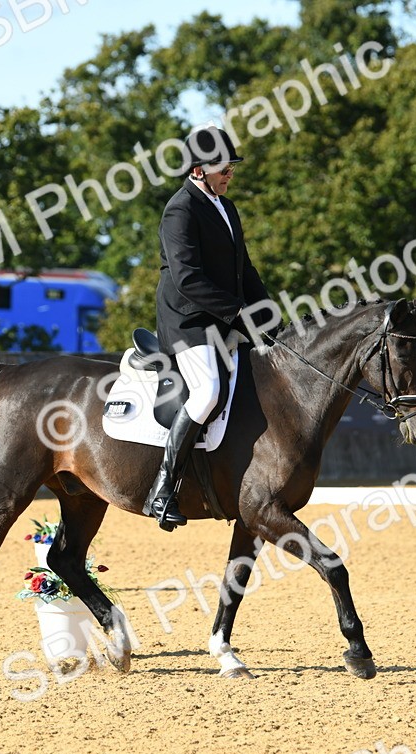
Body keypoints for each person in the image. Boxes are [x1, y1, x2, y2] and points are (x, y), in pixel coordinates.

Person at [143, 124, 272, 530]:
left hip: (222, 314)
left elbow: (243, 269)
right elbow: (188, 279)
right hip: (189, 321)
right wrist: (237, 314)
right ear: (198, 169)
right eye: (223, 167)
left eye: (231, 165)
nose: (230, 172)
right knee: (207, 392)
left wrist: (269, 313)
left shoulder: (226, 207)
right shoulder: (180, 209)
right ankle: (162, 489)